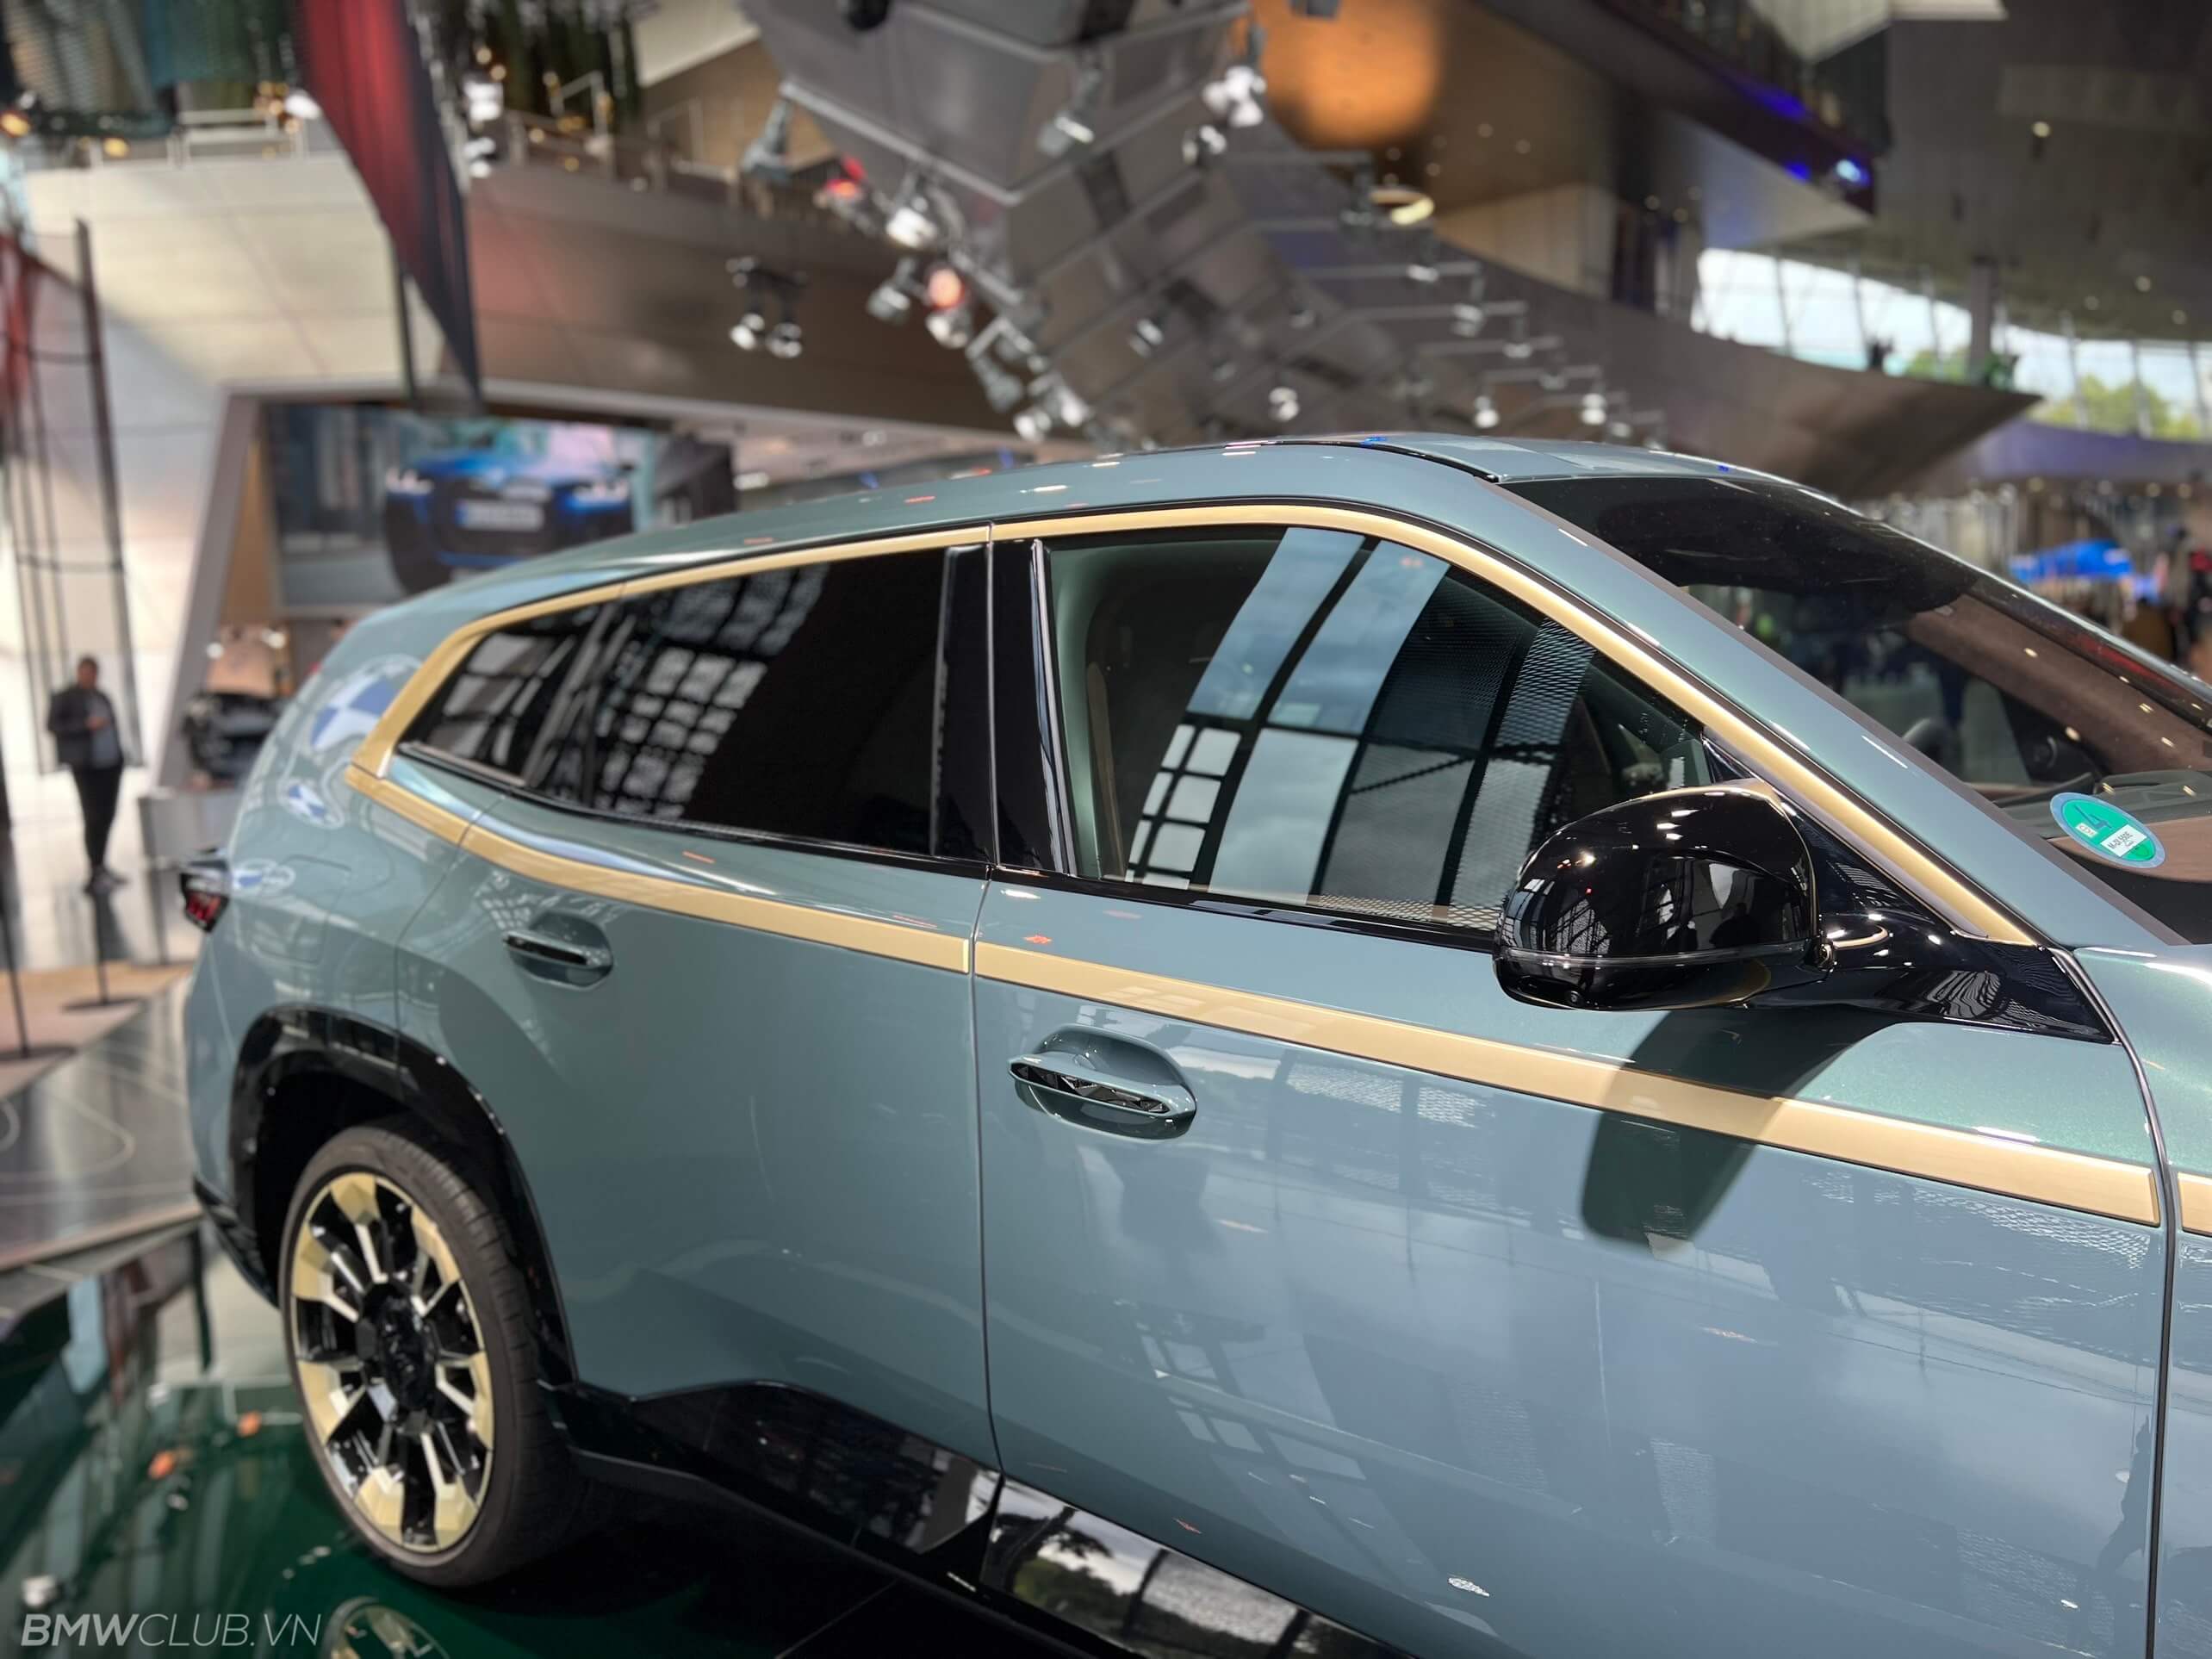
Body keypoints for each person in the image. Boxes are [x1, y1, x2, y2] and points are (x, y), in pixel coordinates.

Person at [46, 656, 127, 893]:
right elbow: (52, 726)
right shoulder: (65, 697)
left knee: (108, 814)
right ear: (79, 673)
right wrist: (85, 725)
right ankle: (94, 870)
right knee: (93, 816)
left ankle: (102, 865)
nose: (89, 677)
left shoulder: (102, 696)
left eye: (93, 673)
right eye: (86, 672)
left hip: (110, 764)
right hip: (86, 766)